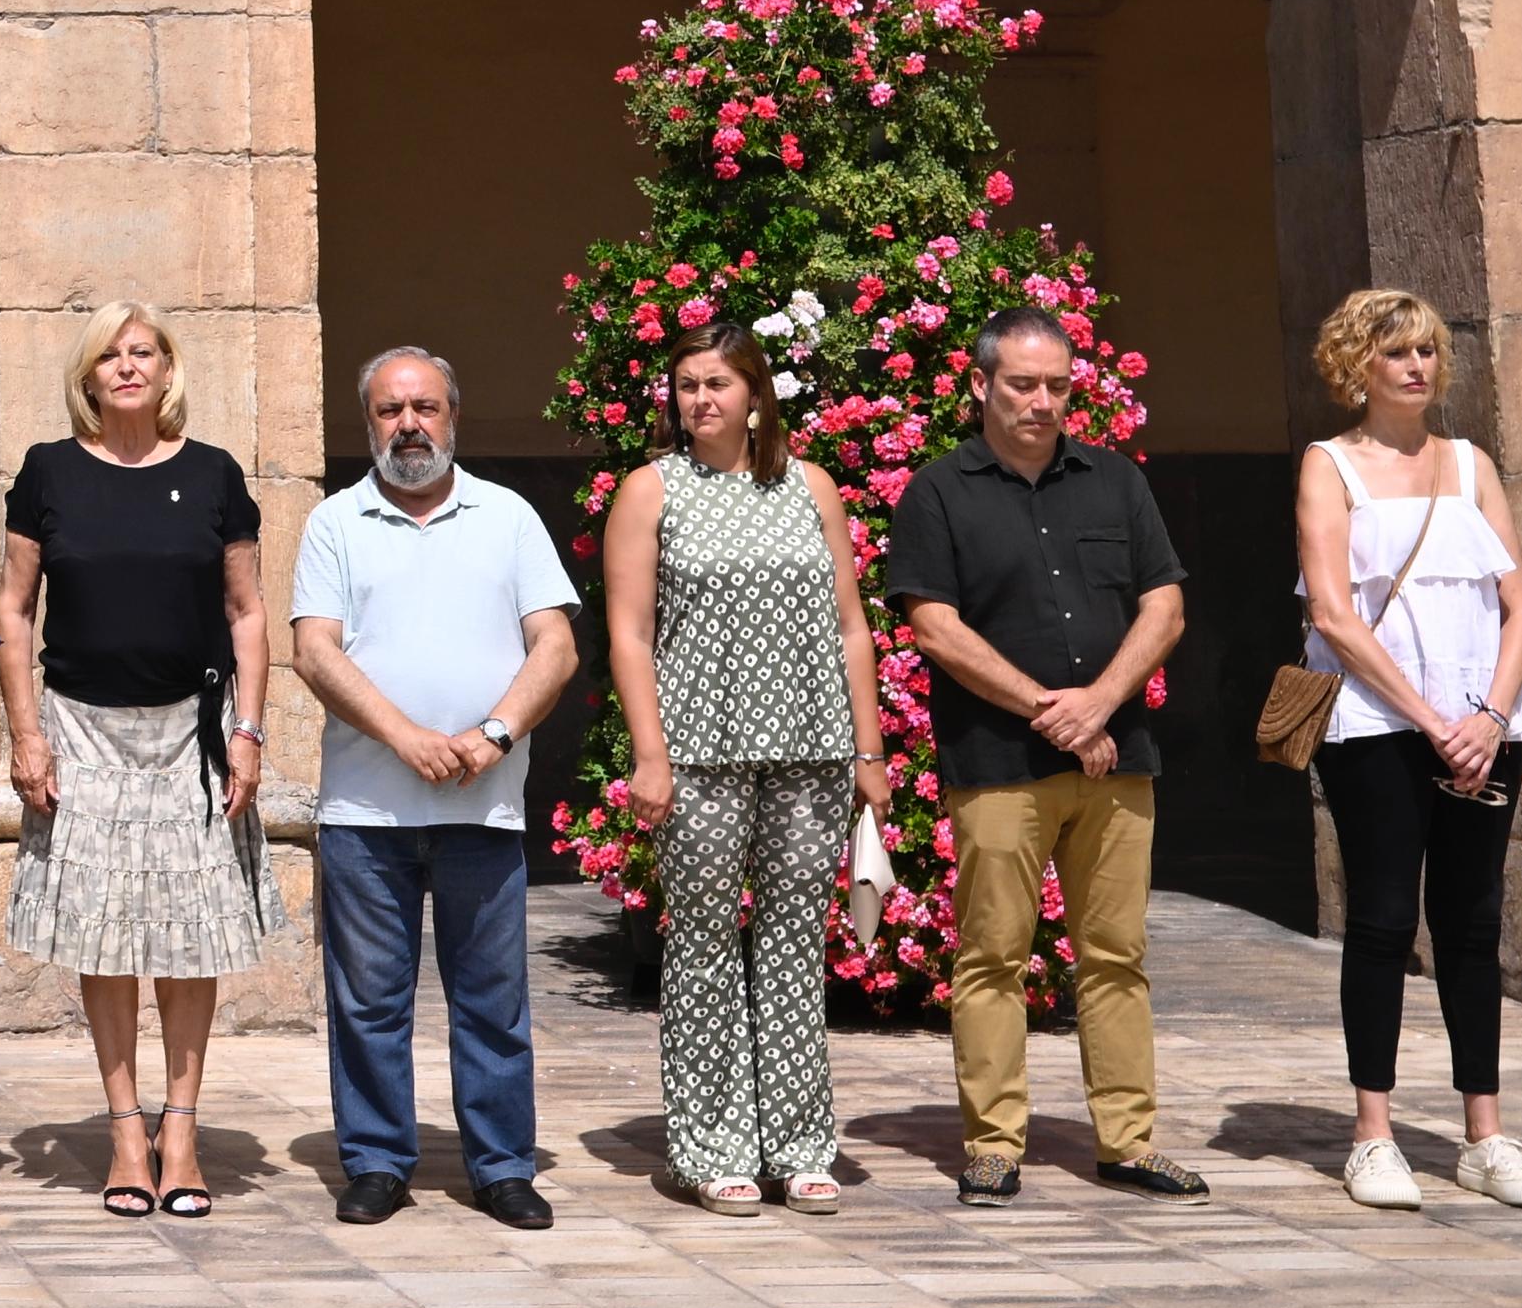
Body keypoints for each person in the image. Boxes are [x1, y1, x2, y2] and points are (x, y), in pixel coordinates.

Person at [889, 305, 1200, 1208]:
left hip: (1116, 757)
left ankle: (1128, 1141)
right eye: (1023, 383)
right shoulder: (940, 490)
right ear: (980, 383)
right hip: (995, 763)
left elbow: (1166, 606)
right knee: (992, 954)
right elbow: (934, 626)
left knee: (1115, 955)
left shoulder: (1114, 483)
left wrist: (1101, 701)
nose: (1041, 400)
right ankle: (992, 1143)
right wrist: (1048, 709)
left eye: (1058, 385)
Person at [288, 346, 576, 1230]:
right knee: (368, 1001)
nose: (407, 424)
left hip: (482, 805)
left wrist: (491, 734)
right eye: (388, 410)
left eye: (424, 407)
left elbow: (556, 645)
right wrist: (407, 737)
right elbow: (314, 648)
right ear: (366, 422)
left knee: (492, 1000)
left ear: (454, 415)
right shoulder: (337, 521)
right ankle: (376, 1161)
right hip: (367, 810)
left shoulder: (510, 516)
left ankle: (501, 1166)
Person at [602, 321, 883, 1216]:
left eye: (718, 382)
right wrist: (651, 753)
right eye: (686, 385)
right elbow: (629, 633)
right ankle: (712, 1142)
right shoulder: (652, 490)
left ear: (756, 392)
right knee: (703, 946)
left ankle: (801, 1144)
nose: (701, 400)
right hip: (702, 752)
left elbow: (850, 626)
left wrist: (869, 749)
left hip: (811, 748)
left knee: (799, 943)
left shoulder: (812, 487)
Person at [0, 302, 269, 1222]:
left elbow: (247, 611)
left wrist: (251, 728)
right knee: (106, 936)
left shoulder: (214, 473)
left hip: (192, 730)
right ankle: (125, 1131)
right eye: (109, 353)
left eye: (142, 351)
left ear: (167, 369)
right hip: (79, 728)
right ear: (88, 373)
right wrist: (24, 733)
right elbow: (15, 608)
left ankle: (182, 1133)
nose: (126, 366)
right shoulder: (49, 472)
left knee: (188, 936)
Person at [1294, 288, 1522, 1214]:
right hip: (1374, 728)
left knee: (1472, 923)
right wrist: (1429, 715)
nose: (1417, 367)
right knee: (1378, 920)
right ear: (1356, 365)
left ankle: (1485, 1135)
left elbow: (1520, 606)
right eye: (1397, 352)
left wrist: (1487, 714)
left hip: (1483, 730)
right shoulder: (1329, 466)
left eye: (1428, 352)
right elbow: (1331, 611)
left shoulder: (1470, 464)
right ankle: (1373, 1135)